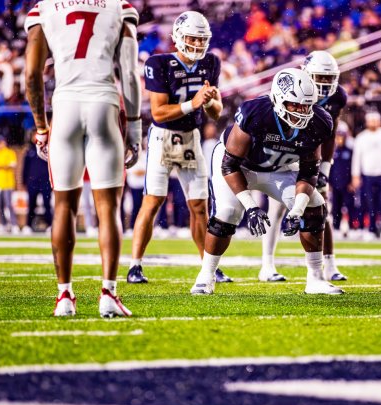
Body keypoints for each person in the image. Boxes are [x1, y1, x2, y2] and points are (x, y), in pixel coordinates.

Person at [25, 0, 142, 317]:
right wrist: (134, 128)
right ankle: (108, 293)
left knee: (63, 205)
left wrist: (40, 127)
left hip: (66, 105)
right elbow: (129, 72)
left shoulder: (45, 8)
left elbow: (32, 74)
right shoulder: (119, 6)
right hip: (103, 101)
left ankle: (64, 296)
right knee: (108, 207)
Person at [190, 68, 342, 295]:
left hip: (278, 170)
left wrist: (297, 209)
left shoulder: (319, 121)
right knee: (228, 213)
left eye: (306, 106)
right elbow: (229, 165)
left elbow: (309, 171)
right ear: (279, 99)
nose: (302, 111)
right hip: (240, 167)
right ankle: (206, 275)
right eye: (295, 105)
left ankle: (315, 278)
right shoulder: (256, 112)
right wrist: (251, 207)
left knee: (314, 204)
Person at [127, 11, 230, 284]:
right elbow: (159, 113)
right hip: (162, 137)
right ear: (178, 38)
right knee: (153, 201)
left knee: (199, 206)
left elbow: (215, 113)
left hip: (191, 137)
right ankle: (135, 265)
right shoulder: (159, 63)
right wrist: (192, 103)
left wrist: (208, 102)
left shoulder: (210, 62)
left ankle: (208, 267)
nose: (197, 44)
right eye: (192, 38)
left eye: (201, 39)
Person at [259, 51, 349, 282]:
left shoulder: (337, 97)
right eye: (320, 77)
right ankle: (267, 264)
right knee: (277, 208)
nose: (324, 83)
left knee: (321, 206)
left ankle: (329, 264)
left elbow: (330, 135)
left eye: (329, 78)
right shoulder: (293, 85)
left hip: (312, 154)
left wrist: (325, 170)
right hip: (286, 151)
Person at [351, 111, 381, 237]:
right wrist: (355, 175)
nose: (373, 123)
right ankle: (370, 229)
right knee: (369, 204)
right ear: (367, 122)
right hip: (368, 174)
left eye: (375, 120)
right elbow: (357, 158)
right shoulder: (361, 137)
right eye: (371, 120)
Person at [329, 121, 358, 235]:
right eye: (338, 136)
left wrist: (352, 182)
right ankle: (336, 228)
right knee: (336, 207)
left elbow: (353, 167)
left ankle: (352, 228)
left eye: (341, 136)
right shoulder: (332, 151)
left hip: (347, 185)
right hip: (335, 185)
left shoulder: (350, 151)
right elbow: (330, 169)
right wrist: (330, 183)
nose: (339, 139)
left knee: (350, 207)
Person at [22, 140, 53, 233]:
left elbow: (52, 166)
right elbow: (25, 168)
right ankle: (28, 225)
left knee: (47, 204)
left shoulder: (48, 149)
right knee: (31, 204)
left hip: (45, 181)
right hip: (33, 182)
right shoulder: (29, 150)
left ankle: (50, 225)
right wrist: (24, 181)